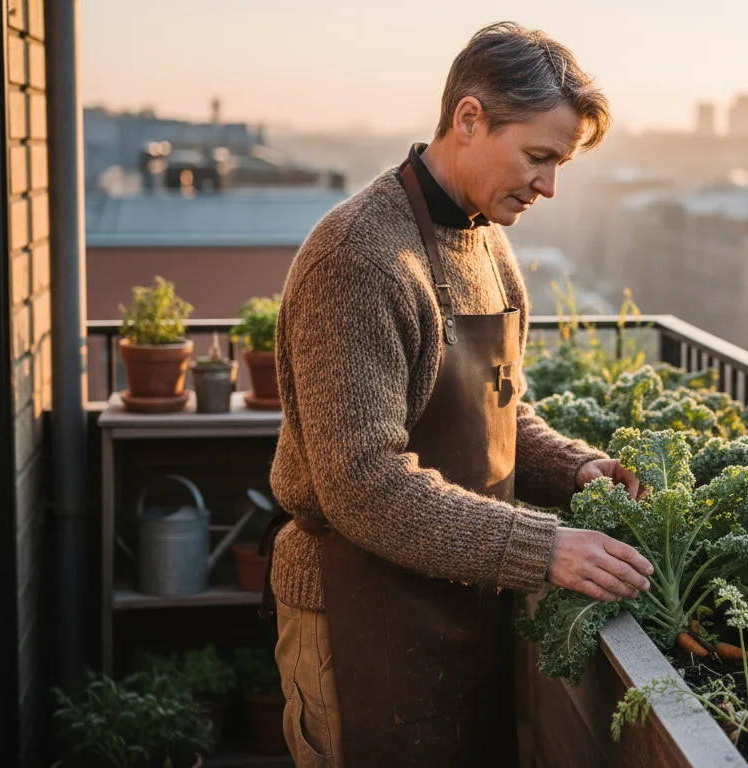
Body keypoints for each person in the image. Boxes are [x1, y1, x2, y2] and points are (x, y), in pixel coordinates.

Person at [259, 22, 654, 767]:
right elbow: (362, 485)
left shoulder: (486, 240)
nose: (549, 186)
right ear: (469, 119)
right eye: (538, 157)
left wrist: (575, 470)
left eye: (559, 164)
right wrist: (545, 548)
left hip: (465, 603)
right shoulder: (360, 258)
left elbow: (499, 407)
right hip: (356, 614)